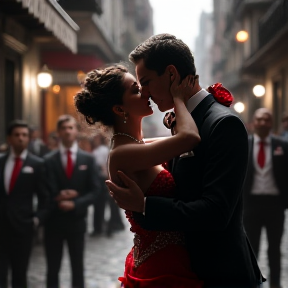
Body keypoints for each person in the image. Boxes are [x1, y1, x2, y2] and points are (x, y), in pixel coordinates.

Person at [105, 34, 265, 287]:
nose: (144, 92)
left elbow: (216, 212)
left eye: (146, 82)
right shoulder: (182, 121)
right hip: (185, 270)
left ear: (171, 74)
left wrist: (145, 205)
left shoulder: (223, 124)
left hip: (220, 274)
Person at [74, 64, 203, 287]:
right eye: (135, 90)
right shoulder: (123, 153)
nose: (145, 91)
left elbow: (180, 139)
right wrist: (178, 98)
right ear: (119, 109)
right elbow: (190, 138)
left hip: (166, 256)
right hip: (162, 263)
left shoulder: (135, 145)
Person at [44, 115, 100, 288]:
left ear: (76, 131)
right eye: (64, 128)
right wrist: (59, 197)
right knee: (52, 268)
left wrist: (76, 203)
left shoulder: (88, 160)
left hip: (77, 221)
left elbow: (96, 191)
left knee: (77, 267)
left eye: (70, 127)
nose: (67, 131)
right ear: (59, 132)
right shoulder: (48, 160)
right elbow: (44, 190)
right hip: (53, 221)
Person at [0, 120, 49, 288]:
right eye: (17, 135)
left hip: (23, 228)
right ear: (9, 138)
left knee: (19, 274)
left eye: (24, 135)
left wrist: (36, 220)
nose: (21, 138)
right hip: (1, 227)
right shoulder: (1, 161)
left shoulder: (37, 164)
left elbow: (45, 198)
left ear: (29, 138)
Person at [243, 108, 288, 288]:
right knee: (251, 249)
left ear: (271, 123)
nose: (262, 123)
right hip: (251, 205)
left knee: (274, 250)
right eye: (259, 119)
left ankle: (275, 284)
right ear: (253, 123)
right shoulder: (244, 145)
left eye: (266, 119)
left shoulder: (282, 146)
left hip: (275, 206)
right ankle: (253, 283)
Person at [91, 133, 125, 237]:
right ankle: (104, 226)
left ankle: (110, 226)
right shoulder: (97, 150)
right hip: (101, 178)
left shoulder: (102, 150)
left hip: (104, 178)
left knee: (108, 204)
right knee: (102, 204)